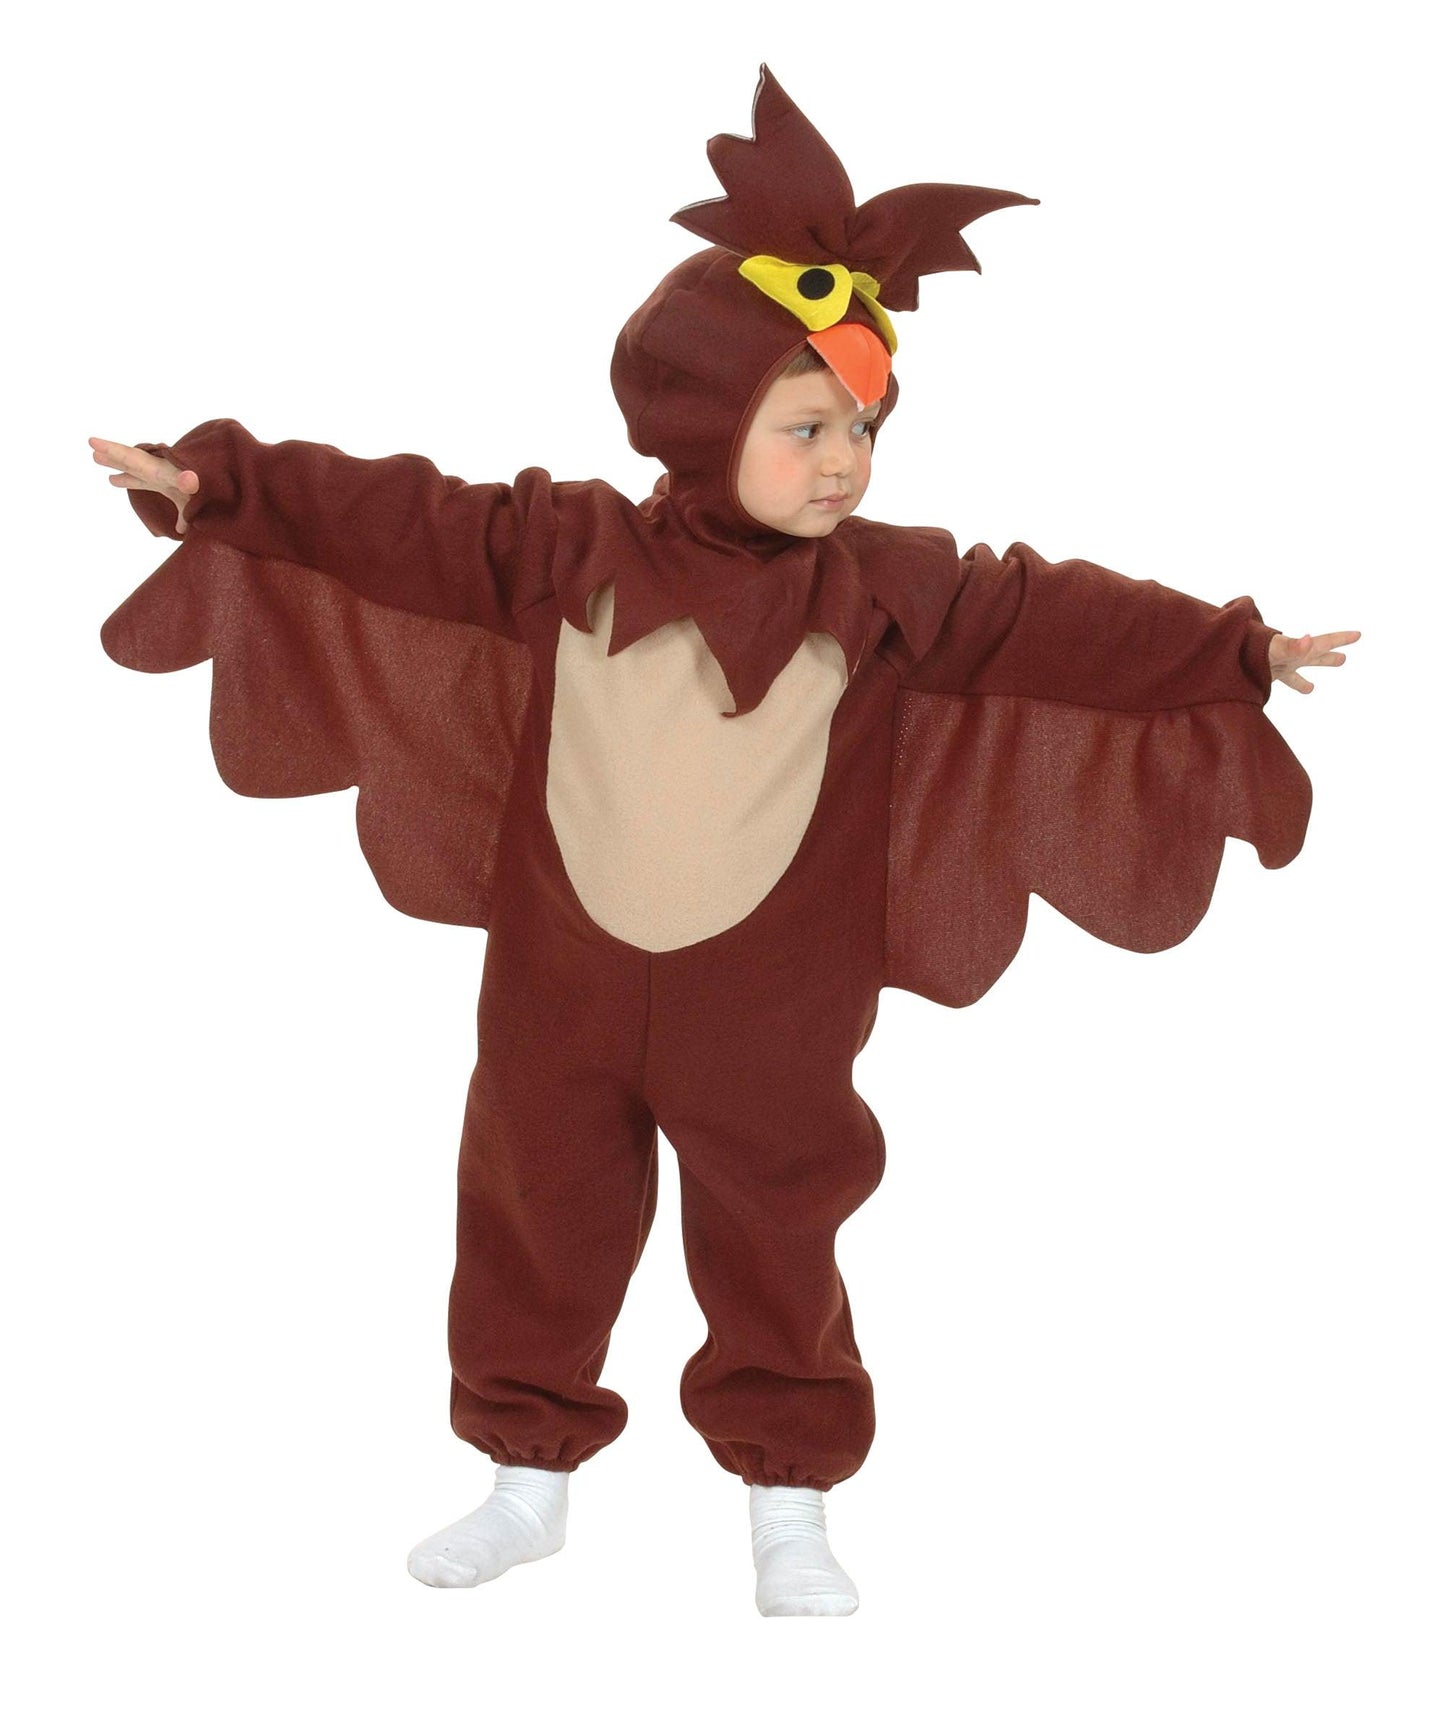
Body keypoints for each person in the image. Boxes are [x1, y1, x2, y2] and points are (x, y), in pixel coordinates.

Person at [88, 67, 1358, 1618]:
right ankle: (525, 1476)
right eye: (807, 425)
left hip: (773, 999)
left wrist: (1232, 649)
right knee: (533, 1200)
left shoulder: (893, 590)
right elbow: (387, 515)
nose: (844, 461)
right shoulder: (559, 547)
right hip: (560, 978)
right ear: (700, 415)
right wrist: (217, 483)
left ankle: (788, 1498)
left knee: (776, 1227)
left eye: (862, 429)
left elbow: (1060, 618)